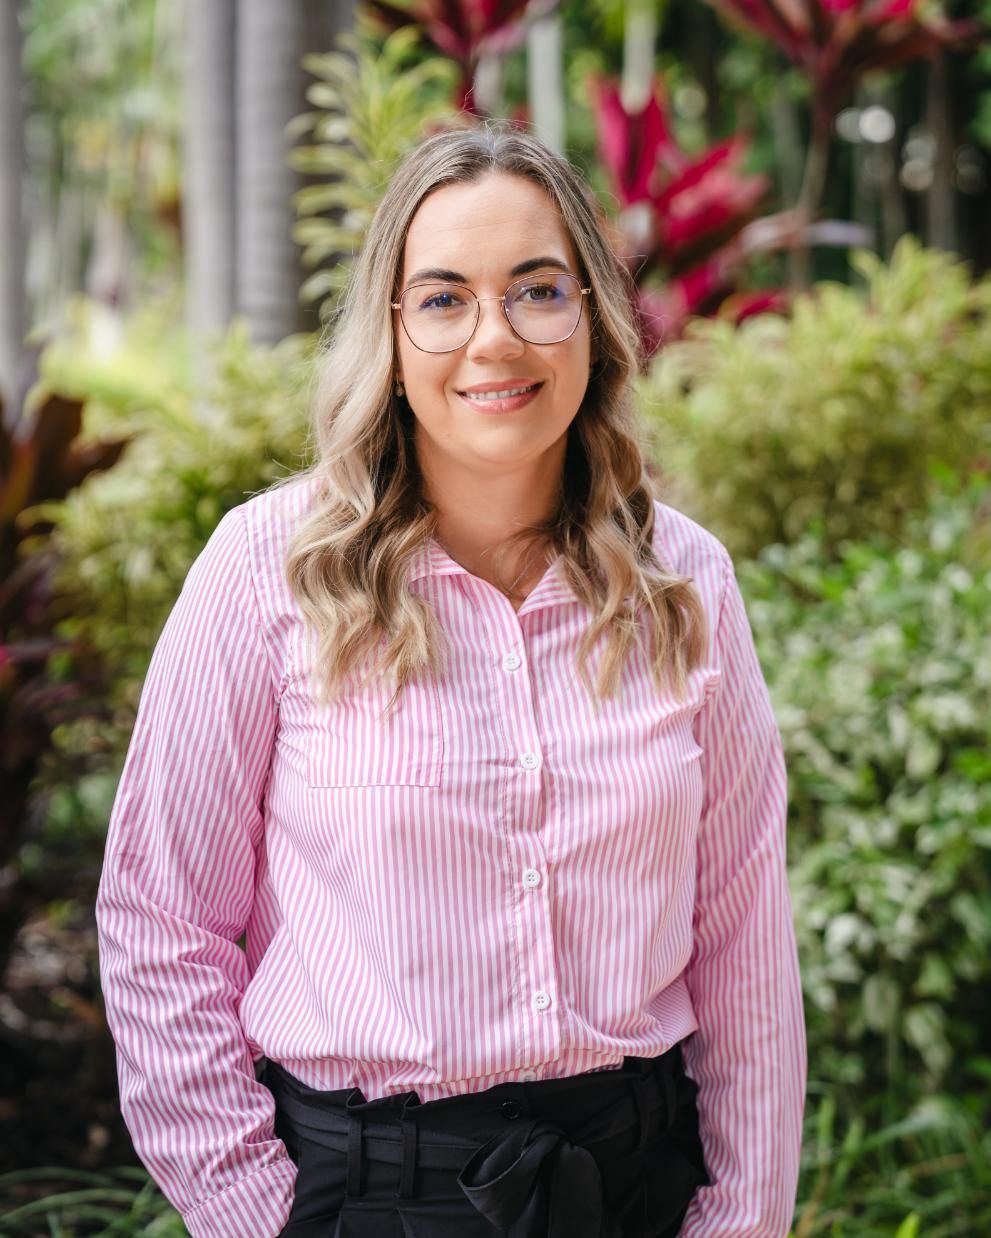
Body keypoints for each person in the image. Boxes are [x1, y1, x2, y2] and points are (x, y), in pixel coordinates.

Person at [96, 121, 806, 1238]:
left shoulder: (687, 581)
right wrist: (251, 1211)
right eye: (442, 298)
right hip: (362, 1192)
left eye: (536, 290)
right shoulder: (264, 572)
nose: (494, 338)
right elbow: (161, 920)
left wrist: (743, 1214)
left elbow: (744, 942)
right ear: (389, 330)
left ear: (591, 317)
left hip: (635, 1182)